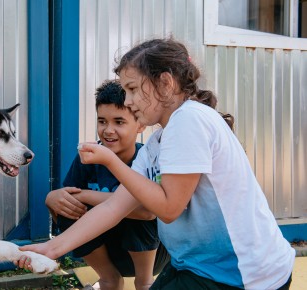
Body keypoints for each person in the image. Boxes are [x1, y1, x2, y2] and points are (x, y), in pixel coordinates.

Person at [18, 38, 295, 289]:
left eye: (133, 89)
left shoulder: (190, 119)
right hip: (198, 267)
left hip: (246, 275)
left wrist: (111, 162)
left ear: (165, 83)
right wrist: (52, 248)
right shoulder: (155, 145)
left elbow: (169, 208)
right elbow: (114, 207)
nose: (128, 100)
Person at [43, 79, 166, 290]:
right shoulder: (88, 157)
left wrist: (85, 195)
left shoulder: (147, 157)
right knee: (65, 206)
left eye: (119, 122)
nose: (108, 130)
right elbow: (69, 199)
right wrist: (52, 198)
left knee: (137, 206)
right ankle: (109, 279)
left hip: (152, 254)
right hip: (108, 251)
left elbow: (148, 212)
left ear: (140, 125)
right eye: (102, 121)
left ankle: (145, 282)